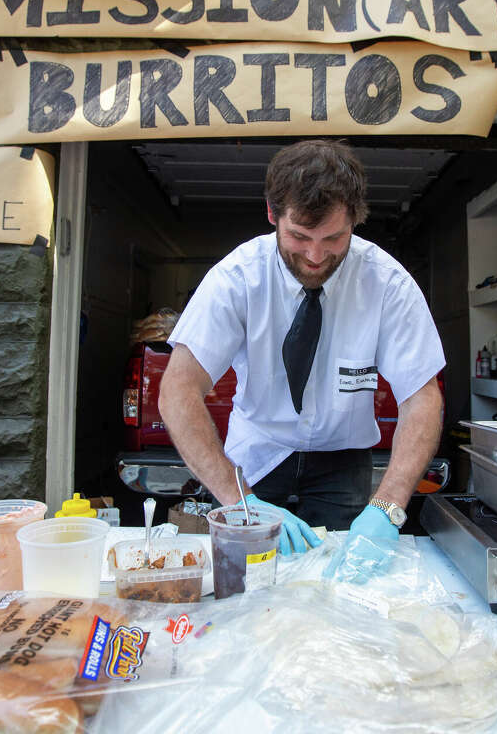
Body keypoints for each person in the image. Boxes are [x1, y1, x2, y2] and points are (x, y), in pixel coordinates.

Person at [158, 139, 445, 572]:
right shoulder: (237, 278)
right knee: (247, 584)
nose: (315, 256)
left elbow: (422, 397)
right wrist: (241, 503)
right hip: (254, 456)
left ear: (355, 219)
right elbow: (178, 391)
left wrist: (387, 508)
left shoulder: (388, 283)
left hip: (343, 459)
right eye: (299, 236)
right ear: (273, 214)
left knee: (343, 584)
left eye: (333, 238)